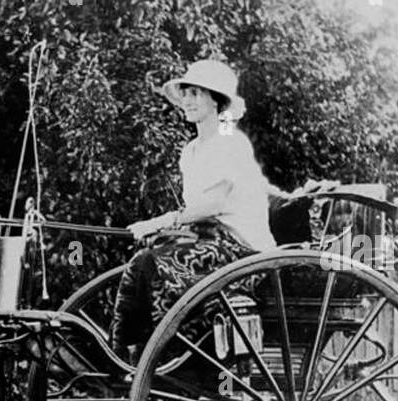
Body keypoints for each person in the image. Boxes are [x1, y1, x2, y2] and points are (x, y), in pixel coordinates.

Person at [109, 59, 277, 363]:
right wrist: (165, 230)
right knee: (141, 263)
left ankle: (165, 361)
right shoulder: (192, 151)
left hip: (244, 251)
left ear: (217, 101)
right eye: (185, 93)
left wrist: (161, 221)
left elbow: (214, 205)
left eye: (196, 93)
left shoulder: (230, 142)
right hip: (212, 242)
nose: (187, 100)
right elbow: (199, 215)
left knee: (156, 264)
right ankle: (125, 356)